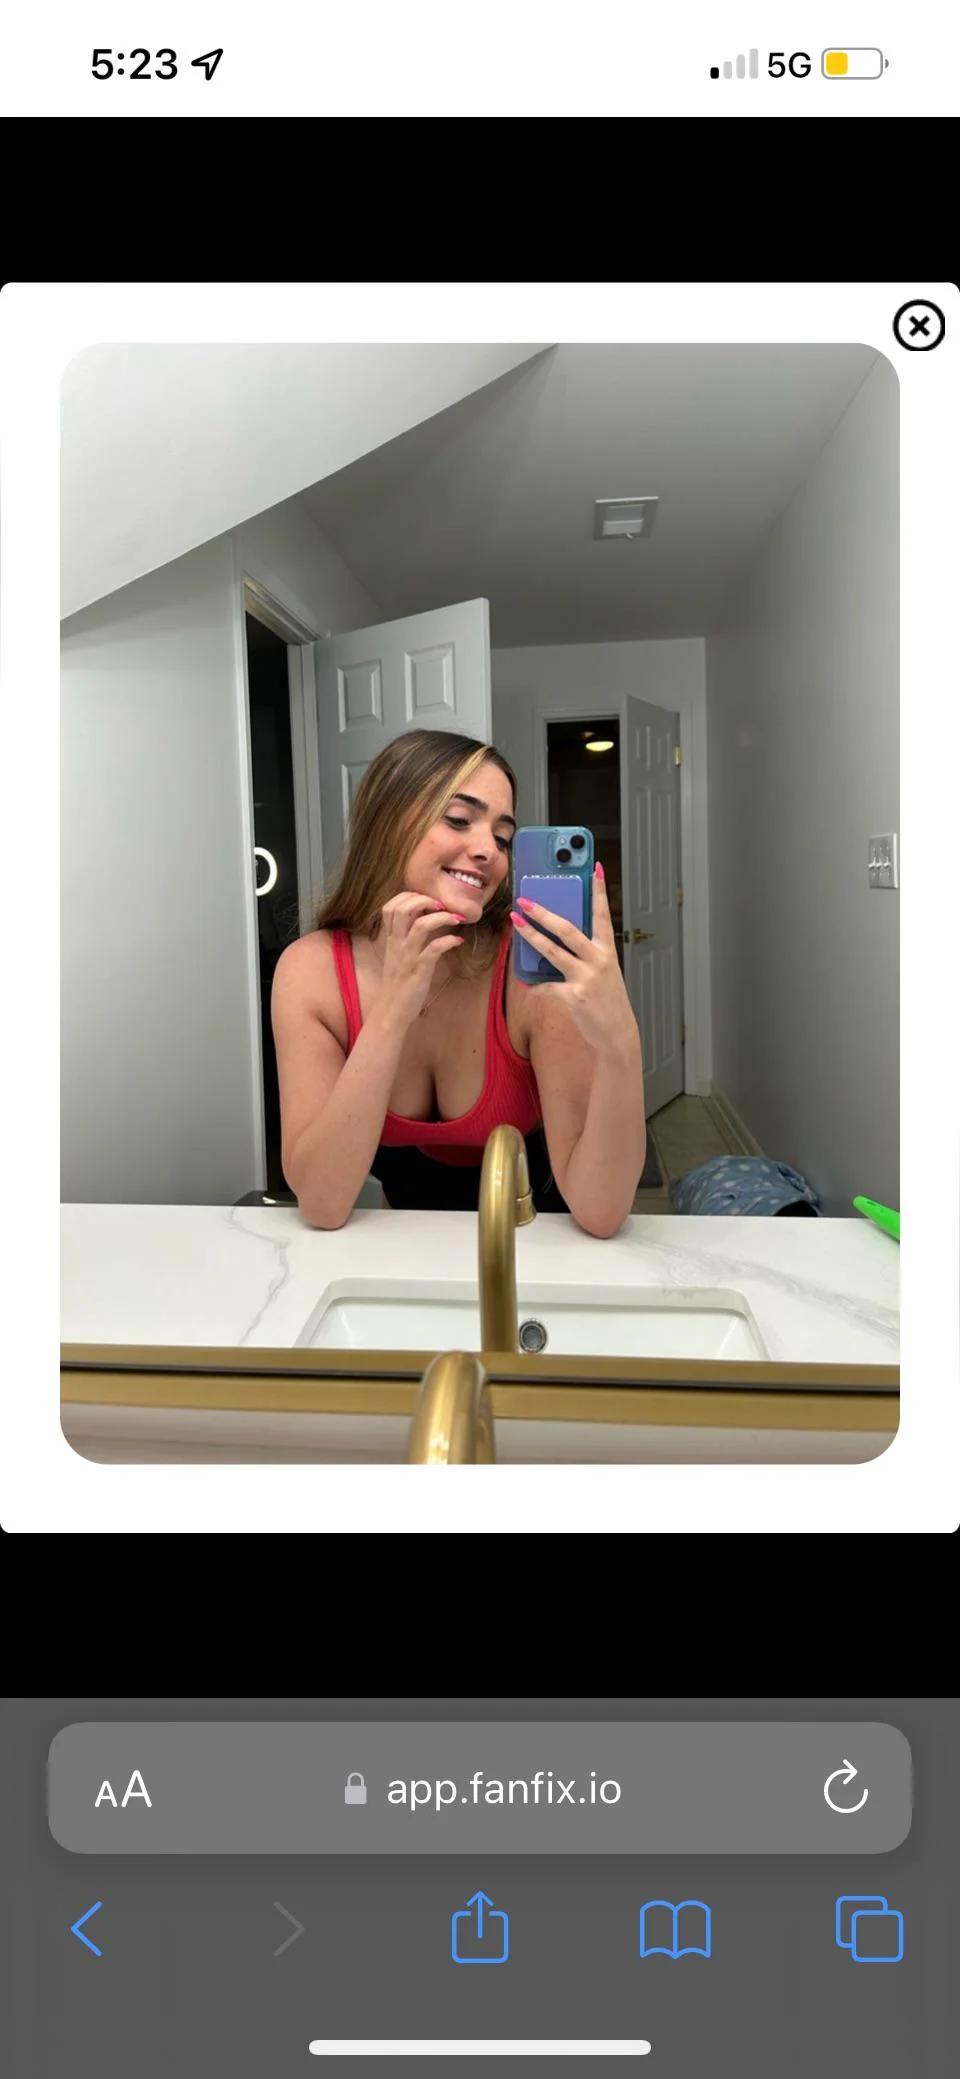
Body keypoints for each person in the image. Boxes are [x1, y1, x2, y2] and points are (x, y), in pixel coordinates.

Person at [270, 728, 646, 1231]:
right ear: (387, 821)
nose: (489, 850)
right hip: (410, 1250)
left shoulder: (531, 971)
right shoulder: (310, 972)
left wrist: (621, 1043)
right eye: (459, 819)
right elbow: (322, 1203)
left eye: (503, 837)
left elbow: (601, 1213)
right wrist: (392, 1012)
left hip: (540, 1244)